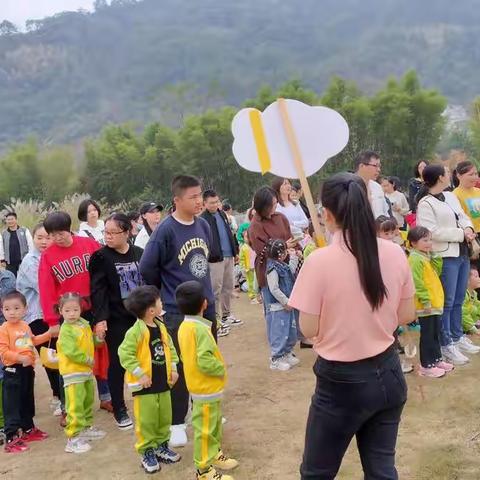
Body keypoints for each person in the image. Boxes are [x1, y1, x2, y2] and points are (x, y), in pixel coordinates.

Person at [289, 172, 416, 479]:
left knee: (316, 472)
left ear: (328, 214)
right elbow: (407, 314)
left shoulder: (319, 262)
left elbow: (308, 329)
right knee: (382, 470)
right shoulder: (395, 252)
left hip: (340, 384)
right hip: (388, 373)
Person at [140, 175, 216, 448]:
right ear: (177, 200)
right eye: (193, 197)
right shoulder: (165, 231)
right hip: (176, 312)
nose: (198, 201)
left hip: (205, 307)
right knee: (180, 367)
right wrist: (164, 296)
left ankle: (204, 409)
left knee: (206, 360)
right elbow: (148, 268)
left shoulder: (204, 225)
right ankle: (176, 423)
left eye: (200, 196)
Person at [38, 212, 112, 417]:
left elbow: (104, 273)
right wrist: (52, 321)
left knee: (100, 350)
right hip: (68, 313)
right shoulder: (48, 256)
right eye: (52, 235)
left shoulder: (88, 244)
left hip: (93, 308)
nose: (57, 238)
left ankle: (106, 397)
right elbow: (46, 289)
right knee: (69, 360)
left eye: (60, 233)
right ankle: (66, 407)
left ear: (69, 228)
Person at [416, 164, 480, 365]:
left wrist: (468, 228)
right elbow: (431, 231)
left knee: (460, 297)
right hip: (445, 255)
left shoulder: (450, 196)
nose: (448, 174)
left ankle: (457, 335)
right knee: (448, 300)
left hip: (462, 252)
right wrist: (461, 234)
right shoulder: (426, 203)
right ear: (439, 177)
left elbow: (462, 215)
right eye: (446, 172)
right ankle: (446, 342)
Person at [176, 281, 238, 480]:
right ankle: (203, 470)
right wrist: (220, 368)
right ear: (204, 304)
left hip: (203, 387)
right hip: (205, 387)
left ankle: (214, 454)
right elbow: (204, 359)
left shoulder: (185, 326)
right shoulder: (199, 329)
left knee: (213, 424)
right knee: (204, 429)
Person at [89, 213, 144, 430]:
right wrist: (100, 319)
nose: (108, 237)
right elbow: (98, 290)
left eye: (114, 233)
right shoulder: (100, 257)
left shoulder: (139, 253)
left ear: (128, 232)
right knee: (118, 362)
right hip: (116, 317)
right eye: (106, 232)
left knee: (145, 358)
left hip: (139, 316)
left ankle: (145, 398)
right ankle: (119, 407)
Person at [119, 285, 181, 474]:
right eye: (159, 300)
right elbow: (125, 353)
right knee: (147, 420)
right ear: (151, 310)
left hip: (163, 383)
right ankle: (147, 451)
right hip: (144, 386)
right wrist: (140, 373)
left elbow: (170, 349)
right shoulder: (135, 331)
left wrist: (173, 368)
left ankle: (161, 446)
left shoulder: (161, 326)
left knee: (164, 417)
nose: (162, 302)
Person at [16, 223, 61, 415]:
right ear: (32, 239)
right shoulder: (30, 261)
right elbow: (46, 286)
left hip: (51, 313)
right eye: (39, 238)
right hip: (37, 317)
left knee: (56, 355)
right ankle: (58, 397)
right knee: (50, 357)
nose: (44, 242)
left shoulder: (51, 256)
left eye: (47, 237)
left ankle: (60, 395)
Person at [0, 291, 52, 453]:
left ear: (25, 309)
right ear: (2, 311)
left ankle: (28, 429)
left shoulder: (25, 326)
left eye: (16, 308)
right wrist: (20, 358)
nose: (12, 312)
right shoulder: (4, 329)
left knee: (27, 400)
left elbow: (33, 341)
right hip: (13, 371)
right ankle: (11, 437)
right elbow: (3, 352)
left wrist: (48, 335)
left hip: (27, 370)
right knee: (12, 404)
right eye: (7, 309)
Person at [57, 292, 106, 454]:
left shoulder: (84, 324)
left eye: (75, 310)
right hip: (72, 373)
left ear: (81, 310)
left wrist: (99, 339)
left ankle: (85, 428)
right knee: (75, 405)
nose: (72, 314)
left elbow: (92, 341)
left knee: (87, 400)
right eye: (68, 310)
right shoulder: (65, 330)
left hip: (85, 372)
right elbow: (71, 351)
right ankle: (73, 438)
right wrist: (86, 359)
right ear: (61, 311)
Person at [408, 226, 454, 378]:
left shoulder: (425, 257)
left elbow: (437, 271)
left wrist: (434, 255)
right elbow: (417, 282)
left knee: (435, 333)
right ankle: (426, 365)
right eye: (424, 240)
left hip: (434, 304)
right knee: (428, 335)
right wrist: (425, 301)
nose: (429, 243)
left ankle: (436, 360)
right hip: (426, 305)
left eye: (430, 240)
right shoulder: (415, 258)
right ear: (413, 243)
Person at [201, 190, 241, 334]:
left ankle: (226, 315)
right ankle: (215, 320)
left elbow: (230, 233)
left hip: (229, 255)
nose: (215, 205)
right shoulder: (202, 219)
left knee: (228, 287)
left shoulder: (222, 214)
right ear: (204, 203)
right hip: (214, 259)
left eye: (217, 201)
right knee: (215, 290)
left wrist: (234, 250)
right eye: (212, 202)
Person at [264, 239, 299, 371]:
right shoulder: (272, 269)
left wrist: (294, 257)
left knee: (290, 330)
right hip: (278, 306)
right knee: (279, 332)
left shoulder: (282, 266)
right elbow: (274, 288)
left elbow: (291, 270)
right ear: (281, 254)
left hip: (287, 304)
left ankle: (286, 353)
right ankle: (276, 358)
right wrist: (285, 301)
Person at [0, 268, 16, 445]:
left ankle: (10, 424)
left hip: (8, 328)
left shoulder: (7, 276)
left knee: (7, 377)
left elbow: (14, 302)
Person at [354, 150, 390, 218]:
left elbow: (385, 213)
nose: (378, 170)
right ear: (362, 166)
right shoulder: (347, 186)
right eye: (375, 166)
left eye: (379, 166)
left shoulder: (377, 187)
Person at [0, 212, 34, 276]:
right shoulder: (4, 233)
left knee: (25, 279)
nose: (10, 221)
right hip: (9, 263)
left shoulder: (24, 230)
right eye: (8, 219)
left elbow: (30, 245)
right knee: (11, 280)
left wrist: (31, 257)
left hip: (23, 261)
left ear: (16, 220)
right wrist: (2, 259)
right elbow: (1, 247)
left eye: (12, 219)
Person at [453, 161, 480, 235]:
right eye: (470, 174)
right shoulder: (455, 195)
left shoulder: (478, 191)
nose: (475, 177)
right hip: (471, 235)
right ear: (459, 176)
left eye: (476, 174)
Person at [238, 230, 257, 304]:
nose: (248, 238)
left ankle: (257, 295)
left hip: (255, 267)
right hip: (248, 268)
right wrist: (243, 268)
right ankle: (252, 296)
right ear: (243, 238)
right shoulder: (243, 247)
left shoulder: (255, 246)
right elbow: (241, 259)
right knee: (250, 282)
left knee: (256, 282)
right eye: (246, 237)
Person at [462, 266, 480, 335]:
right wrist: (473, 328)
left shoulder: (474, 294)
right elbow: (463, 313)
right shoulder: (463, 294)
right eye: (476, 276)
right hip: (463, 328)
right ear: (467, 280)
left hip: (469, 326)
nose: (479, 279)